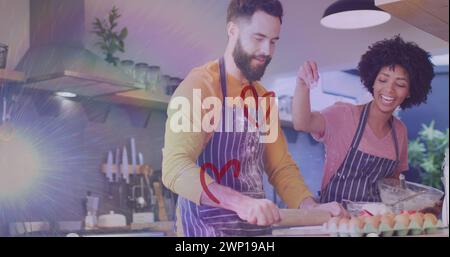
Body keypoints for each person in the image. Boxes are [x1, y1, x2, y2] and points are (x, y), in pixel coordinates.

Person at [162, 0, 344, 237]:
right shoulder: (200, 87)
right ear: (232, 30)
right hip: (204, 231)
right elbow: (174, 167)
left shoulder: (263, 98)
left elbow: (280, 168)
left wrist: (312, 208)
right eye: (258, 38)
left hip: (254, 232)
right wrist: (241, 203)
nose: (267, 51)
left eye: (273, 41)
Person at [292, 35, 435, 204]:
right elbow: (302, 123)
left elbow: (393, 181)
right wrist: (302, 84)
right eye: (383, 80)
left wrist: (409, 202)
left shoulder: (400, 131)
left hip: (374, 225)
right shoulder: (343, 114)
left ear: (410, 92)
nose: (389, 90)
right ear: (372, 81)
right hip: (333, 223)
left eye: (400, 84)